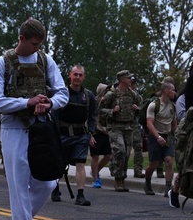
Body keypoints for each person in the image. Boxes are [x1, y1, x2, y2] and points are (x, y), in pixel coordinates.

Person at [0, 17, 69, 220]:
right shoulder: (3, 63)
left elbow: (62, 93)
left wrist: (49, 102)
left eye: (41, 43)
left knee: (47, 182)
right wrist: (26, 102)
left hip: (40, 128)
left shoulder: (46, 61)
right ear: (21, 38)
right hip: (13, 128)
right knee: (19, 185)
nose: (37, 48)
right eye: (34, 43)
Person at [52, 64, 97, 206]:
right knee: (59, 164)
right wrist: (53, 135)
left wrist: (90, 133)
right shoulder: (62, 93)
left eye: (80, 75)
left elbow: (93, 116)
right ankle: (55, 188)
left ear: (84, 77)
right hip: (62, 135)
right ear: (70, 76)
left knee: (80, 163)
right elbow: (54, 115)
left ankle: (80, 195)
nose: (77, 77)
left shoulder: (88, 96)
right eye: (75, 74)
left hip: (81, 136)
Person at [98, 70, 141, 192]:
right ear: (122, 79)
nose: (130, 80)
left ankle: (123, 179)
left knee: (127, 153)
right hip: (115, 127)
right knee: (120, 151)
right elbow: (100, 110)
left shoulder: (131, 94)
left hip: (128, 127)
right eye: (128, 78)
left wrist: (136, 108)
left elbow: (140, 102)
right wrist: (112, 111)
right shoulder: (112, 94)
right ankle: (117, 179)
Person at [144, 79, 177, 197]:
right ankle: (147, 183)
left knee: (169, 161)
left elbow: (174, 124)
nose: (175, 92)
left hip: (168, 136)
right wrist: (157, 137)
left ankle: (168, 189)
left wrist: (176, 137)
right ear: (166, 91)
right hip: (155, 136)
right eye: (173, 90)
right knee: (154, 164)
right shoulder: (154, 105)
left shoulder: (173, 106)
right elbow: (149, 123)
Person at [90, 82, 112, 188]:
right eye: (106, 91)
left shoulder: (108, 103)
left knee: (108, 156)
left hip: (105, 132)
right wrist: (90, 134)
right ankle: (95, 179)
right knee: (95, 156)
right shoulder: (94, 103)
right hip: (95, 132)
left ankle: (95, 171)